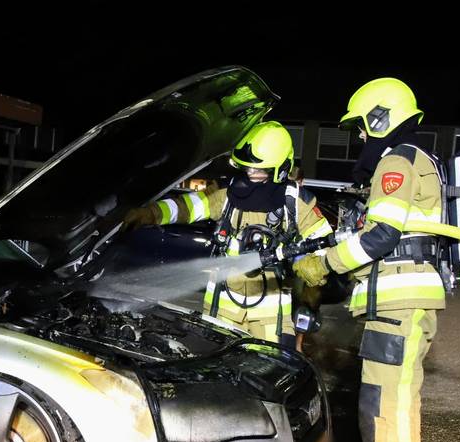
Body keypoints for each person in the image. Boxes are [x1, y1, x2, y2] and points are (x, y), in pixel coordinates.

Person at [295, 78, 445, 442]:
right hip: (401, 302)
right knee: (390, 405)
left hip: (400, 302)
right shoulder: (419, 158)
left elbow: (381, 237)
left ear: (380, 118)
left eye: (362, 127)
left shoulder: (396, 159)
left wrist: (324, 262)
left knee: (386, 410)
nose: (360, 137)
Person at [124, 121, 332, 347]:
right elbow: (187, 207)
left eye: (258, 169)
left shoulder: (295, 202)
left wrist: (313, 263)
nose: (250, 173)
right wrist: (151, 214)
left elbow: (323, 238)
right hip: (223, 307)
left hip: (270, 314)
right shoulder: (227, 195)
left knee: (267, 369)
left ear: (280, 170)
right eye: (247, 167)